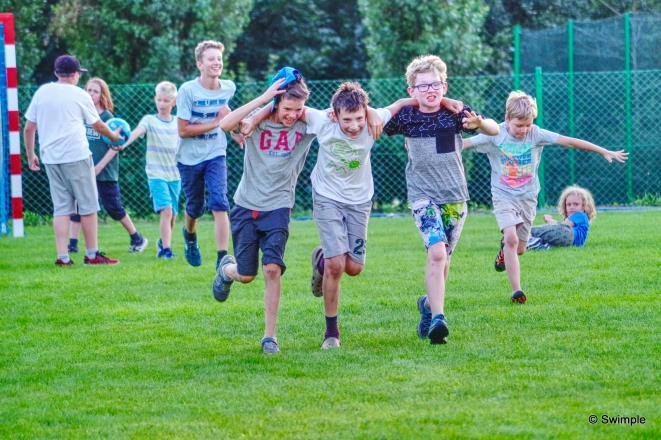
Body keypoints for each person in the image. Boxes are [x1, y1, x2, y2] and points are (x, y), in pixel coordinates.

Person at [464, 91, 628, 303]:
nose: (523, 130)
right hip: (503, 195)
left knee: (520, 248)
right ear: (507, 120)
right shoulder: (494, 134)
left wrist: (604, 151)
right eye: (518, 126)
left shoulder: (536, 133)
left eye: (527, 125)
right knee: (511, 239)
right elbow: (463, 145)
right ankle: (517, 291)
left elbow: (569, 141)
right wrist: (427, 149)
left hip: (528, 197)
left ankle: (505, 252)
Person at [383, 55, 499, 345]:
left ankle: (427, 305)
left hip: (455, 197)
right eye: (422, 86)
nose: (430, 90)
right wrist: (401, 104)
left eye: (435, 84)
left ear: (445, 85)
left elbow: (495, 130)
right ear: (412, 90)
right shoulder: (406, 117)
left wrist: (480, 123)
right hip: (423, 196)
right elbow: (377, 118)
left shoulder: (457, 113)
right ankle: (439, 319)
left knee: (444, 259)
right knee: (436, 253)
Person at [305, 82, 427, 350]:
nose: (354, 125)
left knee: (354, 268)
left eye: (359, 118)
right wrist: (254, 117)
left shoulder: (373, 120)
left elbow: (404, 102)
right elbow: (288, 108)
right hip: (326, 196)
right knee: (337, 264)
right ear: (334, 115)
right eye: (347, 120)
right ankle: (331, 334)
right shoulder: (321, 120)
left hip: (360, 200)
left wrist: (371, 111)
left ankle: (320, 262)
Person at [212, 68, 316, 354]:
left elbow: (339, 117)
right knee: (246, 275)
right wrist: (265, 102)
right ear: (275, 102)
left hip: (279, 207)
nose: (292, 115)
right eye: (287, 108)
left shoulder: (305, 124)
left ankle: (270, 337)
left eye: (298, 109)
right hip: (246, 205)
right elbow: (225, 125)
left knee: (272, 269)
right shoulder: (255, 122)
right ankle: (226, 271)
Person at [23, 55, 122, 266]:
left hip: (50, 157)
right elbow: (98, 125)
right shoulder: (79, 94)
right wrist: (115, 137)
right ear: (76, 74)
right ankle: (92, 254)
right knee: (88, 206)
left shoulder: (42, 93)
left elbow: (29, 127)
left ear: (57, 73)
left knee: (61, 208)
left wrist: (31, 155)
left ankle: (63, 256)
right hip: (76, 156)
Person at [68, 77, 148, 254]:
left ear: (102, 94)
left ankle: (137, 238)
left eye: (95, 91)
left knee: (113, 207)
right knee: (78, 204)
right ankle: (72, 244)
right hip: (84, 168)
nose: (91, 93)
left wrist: (99, 167)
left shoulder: (107, 117)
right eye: (88, 90)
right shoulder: (83, 115)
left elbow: (115, 146)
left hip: (105, 172)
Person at [177, 40, 236, 269]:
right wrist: (216, 122)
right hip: (189, 158)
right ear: (199, 64)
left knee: (220, 202)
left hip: (215, 153)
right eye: (211, 59)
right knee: (195, 208)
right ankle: (190, 237)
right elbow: (183, 131)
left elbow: (228, 119)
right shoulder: (187, 90)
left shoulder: (228, 88)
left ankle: (223, 257)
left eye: (219, 59)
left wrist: (235, 131)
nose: (216, 62)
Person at [120, 81, 180, 259]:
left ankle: (163, 241)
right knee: (166, 210)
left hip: (175, 174)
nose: (162, 104)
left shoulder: (178, 122)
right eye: (159, 100)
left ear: (173, 102)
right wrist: (123, 143)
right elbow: (137, 132)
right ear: (155, 99)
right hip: (156, 174)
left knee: (173, 214)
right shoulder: (149, 120)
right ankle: (166, 250)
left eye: (166, 101)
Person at [527, 185, 596, 250]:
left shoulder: (580, 215)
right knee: (544, 237)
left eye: (576, 204)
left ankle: (529, 237)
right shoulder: (581, 218)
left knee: (532, 231)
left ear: (584, 206)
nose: (572, 207)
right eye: (569, 205)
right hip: (569, 242)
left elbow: (564, 225)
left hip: (569, 235)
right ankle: (538, 244)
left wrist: (550, 220)